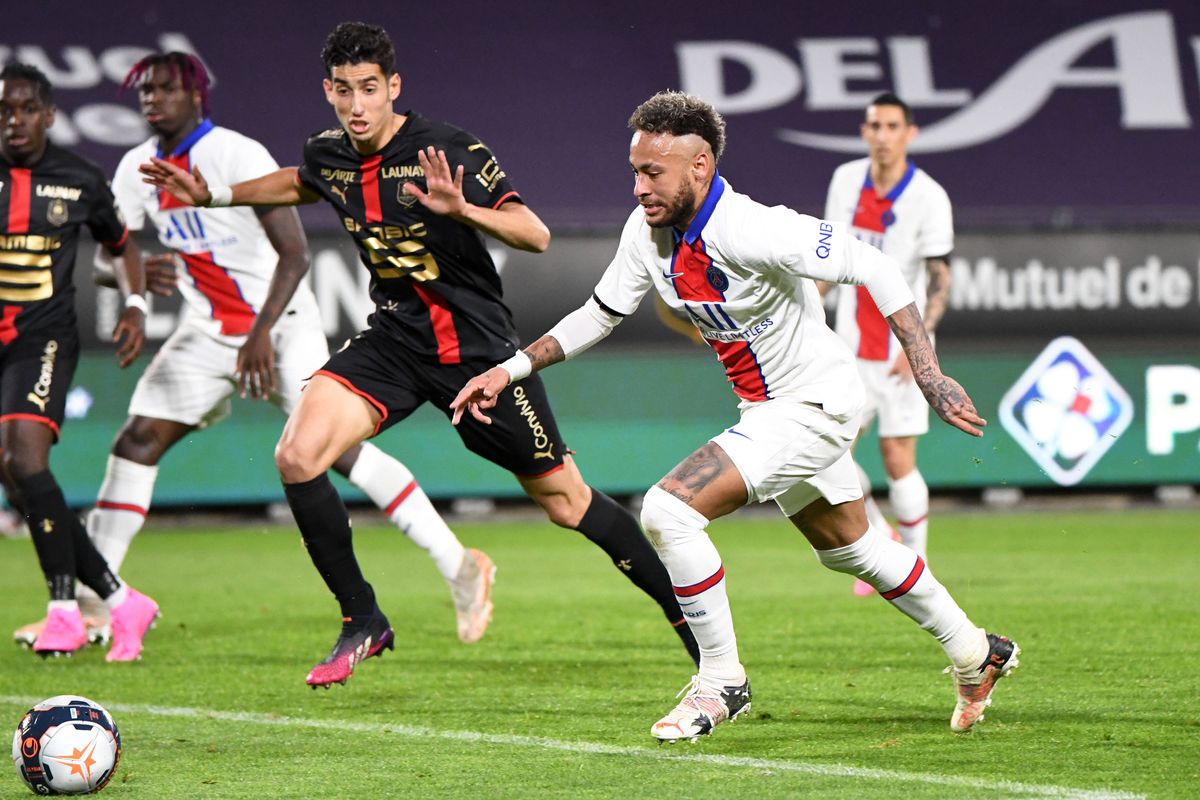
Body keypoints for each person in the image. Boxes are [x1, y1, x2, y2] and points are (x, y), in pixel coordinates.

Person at [139, 23, 699, 687]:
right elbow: (300, 181)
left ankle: (687, 617)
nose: (356, 104)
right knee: (297, 453)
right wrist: (217, 194)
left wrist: (464, 209)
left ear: (393, 87)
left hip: (477, 353)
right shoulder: (330, 153)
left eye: (369, 89)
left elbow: (536, 234)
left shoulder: (446, 148)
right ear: (328, 91)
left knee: (566, 502)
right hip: (396, 341)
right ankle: (362, 619)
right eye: (343, 90)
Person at [450, 91, 1019, 740]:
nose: (639, 187)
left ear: (699, 166)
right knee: (851, 550)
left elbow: (877, 265)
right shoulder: (648, 232)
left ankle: (720, 681)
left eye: (652, 172)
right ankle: (977, 653)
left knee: (668, 510)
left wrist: (928, 372)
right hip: (772, 409)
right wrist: (511, 369)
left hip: (814, 404)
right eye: (634, 170)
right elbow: (602, 312)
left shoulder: (754, 227)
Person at [11, 52, 497, 650]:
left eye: (165, 89)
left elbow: (295, 253)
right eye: (145, 92)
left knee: (335, 454)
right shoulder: (138, 166)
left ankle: (458, 564)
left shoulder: (235, 154)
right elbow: (116, 255)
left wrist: (262, 332)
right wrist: (137, 284)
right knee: (136, 440)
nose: (151, 100)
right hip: (209, 332)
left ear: (196, 97)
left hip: (281, 327)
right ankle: (93, 606)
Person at [0, 63, 159, 661]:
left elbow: (122, 246)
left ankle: (64, 612)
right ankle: (121, 602)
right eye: (3, 111)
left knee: (22, 458)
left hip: (40, 340)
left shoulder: (79, 178)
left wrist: (136, 304)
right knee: (19, 482)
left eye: (24, 109)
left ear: (48, 115)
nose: (13, 121)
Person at [823, 93, 952, 596]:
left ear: (909, 133)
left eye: (892, 126)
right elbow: (828, 260)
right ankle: (881, 536)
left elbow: (939, 278)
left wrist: (921, 347)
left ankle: (918, 565)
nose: (882, 135)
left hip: (901, 350)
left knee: (898, 457)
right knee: (829, 452)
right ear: (864, 131)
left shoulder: (929, 196)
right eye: (874, 125)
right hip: (848, 345)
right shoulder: (845, 181)